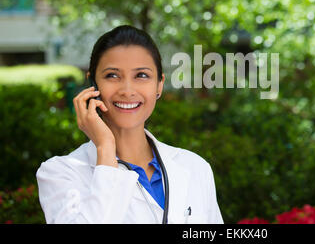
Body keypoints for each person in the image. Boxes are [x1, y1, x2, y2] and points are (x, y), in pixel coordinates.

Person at [36, 25, 224, 224]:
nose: (127, 90)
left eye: (141, 75)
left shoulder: (195, 167)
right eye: (112, 75)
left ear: (159, 84)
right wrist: (105, 147)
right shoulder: (61, 173)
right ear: (93, 84)